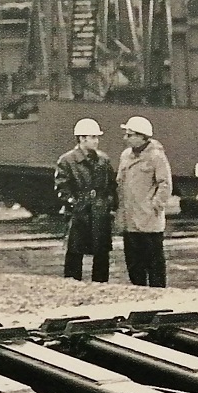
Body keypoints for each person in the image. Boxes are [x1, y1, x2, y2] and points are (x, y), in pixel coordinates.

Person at [54, 118, 117, 283]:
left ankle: (101, 285)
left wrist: (108, 204)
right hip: (78, 214)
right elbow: (62, 188)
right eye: (93, 137)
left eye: (96, 137)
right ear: (82, 138)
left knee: (101, 253)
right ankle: (72, 284)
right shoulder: (66, 161)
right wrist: (76, 204)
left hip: (100, 212)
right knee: (75, 252)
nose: (96, 141)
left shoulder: (104, 160)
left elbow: (111, 185)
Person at [116, 115, 172, 288]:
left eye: (130, 135)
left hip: (149, 221)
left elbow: (165, 184)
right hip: (130, 219)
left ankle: (158, 294)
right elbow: (119, 182)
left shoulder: (156, 156)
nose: (126, 138)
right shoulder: (125, 156)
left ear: (142, 137)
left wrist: (155, 205)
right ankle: (138, 292)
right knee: (134, 262)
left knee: (154, 262)